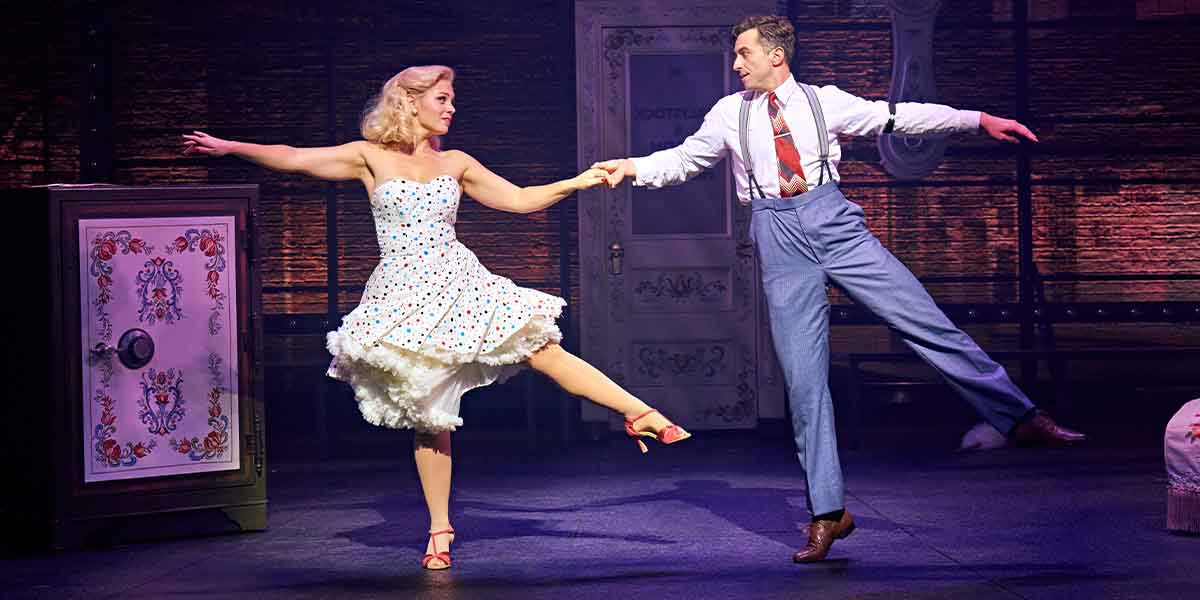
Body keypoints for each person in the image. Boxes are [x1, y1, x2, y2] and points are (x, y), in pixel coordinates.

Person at [592, 16, 1085, 563]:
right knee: (804, 382)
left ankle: (1019, 418)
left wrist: (976, 120)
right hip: (777, 235)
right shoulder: (731, 113)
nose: (735, 64)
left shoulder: (824, 101)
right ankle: (828, 513)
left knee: (922, 320)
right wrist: (633, 167)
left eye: (743, 54)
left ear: (775, 55)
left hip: (834, 223)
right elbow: (687, 158)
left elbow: (897, 117)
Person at [182, 65, 691, 570]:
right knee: (427, 409)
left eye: (451, 100)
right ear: (410, 102)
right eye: (442, 99)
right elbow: (295, 158)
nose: (451, 108)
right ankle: (439, 527)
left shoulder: (457, 163)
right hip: (402, 291)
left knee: (541, 348)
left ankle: (639, 412)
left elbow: (517, 200)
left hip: (458, 281)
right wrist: (231, 148)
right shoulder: (369, 157)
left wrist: (577, 182)